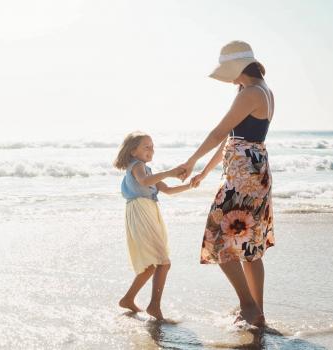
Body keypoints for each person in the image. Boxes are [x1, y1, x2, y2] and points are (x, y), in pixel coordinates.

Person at [182, 41, 275, 327]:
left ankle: (248, 306)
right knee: (249, 248)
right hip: (253, 171)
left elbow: (219, 132)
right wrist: (205, 171)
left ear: (237, 68)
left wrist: (190, 161)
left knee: (219, 241)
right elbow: (231, 138)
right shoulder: (263, 90)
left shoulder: (250, 93)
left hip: (243, 177)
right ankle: (256, 311)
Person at [113, 131, 191, 320]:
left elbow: (169, 190)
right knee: (162, 262)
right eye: (146, 146)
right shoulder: (138, 166)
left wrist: (191, 185)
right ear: (133, 151)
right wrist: (171, 172)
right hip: (141, 212)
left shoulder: (147, 170)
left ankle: (128, 299)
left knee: (153, 265)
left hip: (148, 212)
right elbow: (144, 182)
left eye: (152, 147)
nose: (151, 150)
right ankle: (154, 306)